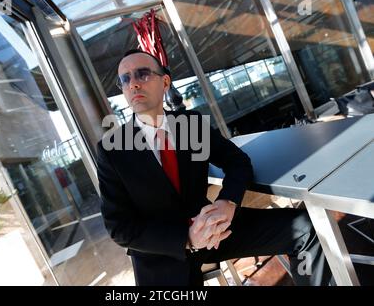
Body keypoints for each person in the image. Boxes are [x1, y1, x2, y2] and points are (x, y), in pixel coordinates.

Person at [96, 49, 332, 286]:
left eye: (142, 74)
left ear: (165, 81)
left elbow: (237, 162)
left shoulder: (191, 124)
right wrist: (186, 239)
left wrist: (227, 202)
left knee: (304, 229)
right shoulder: (112, 150)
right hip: (163, 254)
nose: (133, 84)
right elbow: (119, 227)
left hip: (215, 231)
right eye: (125, 79)